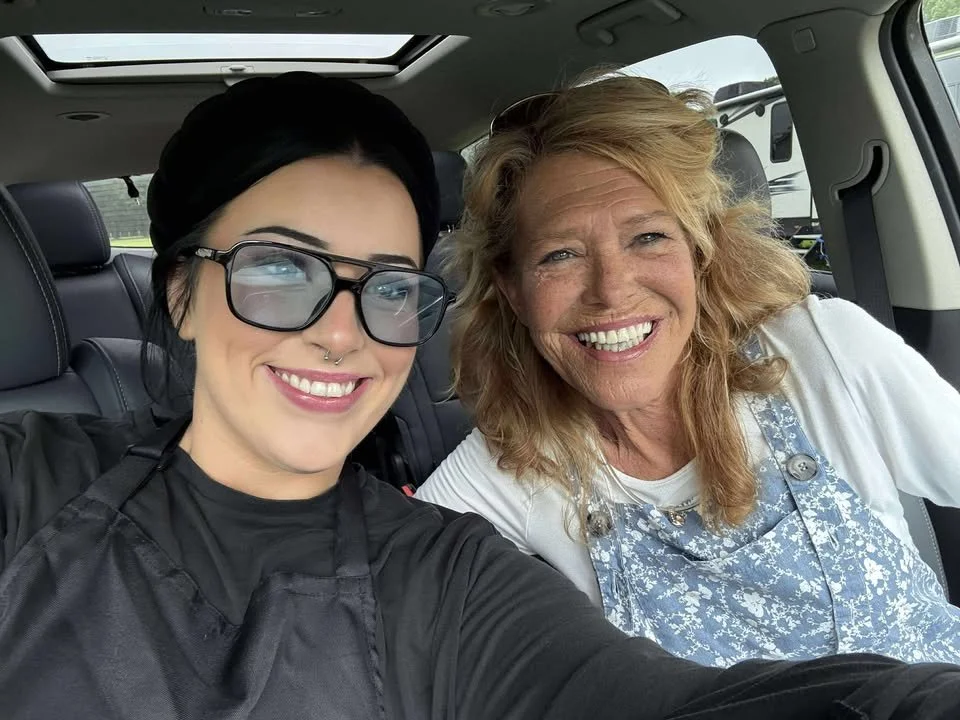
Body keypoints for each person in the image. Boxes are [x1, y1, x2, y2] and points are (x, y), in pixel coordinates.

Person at [2, 72, 960, 720]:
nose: (340, 331)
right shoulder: (31, 484)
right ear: (181, 291)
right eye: (280, 268)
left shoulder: (445, 573)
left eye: (382, 282)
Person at [417, 74, 960, 668]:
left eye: (648, 237)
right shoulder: (518, 460)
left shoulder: (821, 350)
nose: (611, 291)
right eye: (560, 255)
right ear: (514, 293)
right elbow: (388, 590)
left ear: (700, 256)